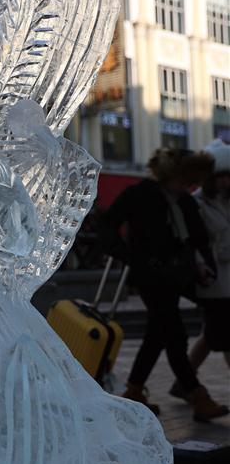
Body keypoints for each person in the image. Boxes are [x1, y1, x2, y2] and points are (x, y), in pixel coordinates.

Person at [98, 147, 229, 421]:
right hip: (151, 276)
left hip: (175, 277)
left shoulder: (183, 202)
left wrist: (201, 266)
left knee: (159, 333)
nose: (188, 185)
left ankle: (134, 391)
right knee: (174, 333)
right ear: (170, 175)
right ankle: (197, 395)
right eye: (184, 179)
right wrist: (129, 256)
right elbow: (107, 225)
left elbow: (195, 240)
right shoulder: (140, 195)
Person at [176, 140, 230, 387]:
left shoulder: (225, 201)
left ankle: (184, 382)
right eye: (220, 177)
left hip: (226, 276)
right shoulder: (197, 203)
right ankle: (185, 382)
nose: (224, 182)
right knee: (217, 333)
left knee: (214, 333)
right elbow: (196, 241)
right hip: (213, 277)